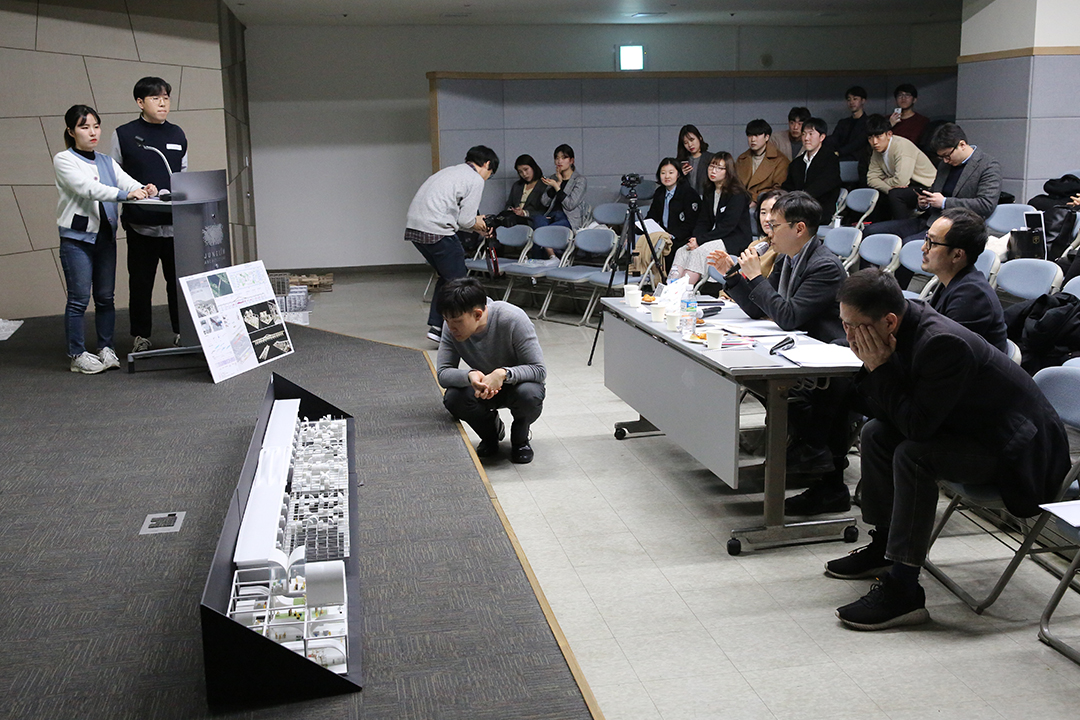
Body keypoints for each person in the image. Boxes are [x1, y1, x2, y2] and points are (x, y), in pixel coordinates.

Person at [825, 269, 1070, 631]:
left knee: (913, 455)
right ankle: (884, 547)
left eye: (854, 326)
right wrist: (877, 369)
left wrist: (878, 367)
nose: (848, 335)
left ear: (889, 320)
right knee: (877, 433)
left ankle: (905, 588)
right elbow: (889, 413)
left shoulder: (940, 343)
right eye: (843, 323)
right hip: (969, 430)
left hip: (1016, 454)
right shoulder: (900, 332)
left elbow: (917, 428)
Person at [54, 104, 155, 374]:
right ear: (71, 131)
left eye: (96, 126)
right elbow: (89, 189)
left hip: (105, 237)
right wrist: (125, 195)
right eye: (84, 127)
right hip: (77, 239)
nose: (92, 132)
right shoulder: (64, 159)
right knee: (78, 299)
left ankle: (105, 348)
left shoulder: (106, 160)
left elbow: (127, 182)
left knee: (105, 298)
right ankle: (77, 354)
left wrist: (143, 188)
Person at [111, 76, 187, 353]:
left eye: (166, 97)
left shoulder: (177, 134)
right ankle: (141, 336)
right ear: (140, 102)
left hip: (175, 225)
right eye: (155, 98)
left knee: (177, 284)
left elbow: (184, 175)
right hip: (140, 224)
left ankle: (183, 332)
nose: (163, 102)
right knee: (141, 283)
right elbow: (114, 176)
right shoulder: (125, 134)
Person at [707, 191, 845, 342]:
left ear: (799, 229)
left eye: (775, 226)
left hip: (823, 347)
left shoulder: (825, 267)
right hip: (796, 341)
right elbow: (756, 309)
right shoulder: (785, 259)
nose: (770, 232)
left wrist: (755, 276)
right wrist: (733, 277)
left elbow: (789, 318)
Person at [436, 277, 546, 464]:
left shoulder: (512, 319)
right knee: (454, 397)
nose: (451, 326)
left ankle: (520, 439)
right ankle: (490, 435)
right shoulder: (451, 325)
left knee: (530, 394)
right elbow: (443, 373)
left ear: (478, 314)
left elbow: (538, 370)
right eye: (446, 320)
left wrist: (503, 374)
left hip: (516, 385)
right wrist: (470, 376)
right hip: (482, 387)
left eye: (457, 321)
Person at [405, 145, 499, 343]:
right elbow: (466, 220)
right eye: (489, 174)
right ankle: (461, 330)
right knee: (459, 282)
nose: (486, 178)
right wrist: (479, 224)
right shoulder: (474, 179)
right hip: (436, 230)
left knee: (448, 277)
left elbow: (459, 216)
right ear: (487, 164)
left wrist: (475, 222)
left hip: (415, 229)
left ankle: (438, 327)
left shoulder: (450, 171)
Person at [864, 123, 1002, 248]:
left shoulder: (988, 166)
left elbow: (986, 205)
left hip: (956, 227)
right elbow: (935, 192)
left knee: (909, 245)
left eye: (947, 155)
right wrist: (925, 203)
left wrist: (944, 202)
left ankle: (894, 276)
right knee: (870, 232)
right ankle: (868, 276)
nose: (945, 161)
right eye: (942, 157)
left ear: (962, 145)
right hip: (929, 220)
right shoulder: (945, 164)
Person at [921, 208, 1008, 352]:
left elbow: (944, 352)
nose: (924, 248)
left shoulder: (972, 295)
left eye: (933, 243)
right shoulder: (951, 283)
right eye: (926, 238)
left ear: (957, 255)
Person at [668, 153, 751, 285]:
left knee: (699, 252)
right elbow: (703, 221)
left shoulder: (737, 194)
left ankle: (682, 292)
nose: (713, 171)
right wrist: (694, 239)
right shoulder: (709, 191)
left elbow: (727, 226)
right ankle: (670, 288)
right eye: (712, 166)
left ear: (728, 171)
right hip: (716, 236)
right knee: (682, 251)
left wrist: (700, 241)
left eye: (719, 168)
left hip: (733, 239)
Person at [864, 113, 937, 221]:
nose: (874, 142)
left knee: (896, 195)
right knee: (877, 195)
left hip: (927, 187)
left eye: (879, 137)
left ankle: (902, 227)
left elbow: (901, 182)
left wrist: (884, 181)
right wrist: (888, 187)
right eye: (870, 138)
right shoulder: (877, 151)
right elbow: (871, 179)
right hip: (905, 187)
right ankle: (878, 231)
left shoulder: (901, 146)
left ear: (889, 134)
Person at [782, 117, 842, 226]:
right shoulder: (796, 163)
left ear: (822, 137)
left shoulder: (830, 159)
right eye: (804, 134)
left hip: (820, 210)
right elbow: (788, 186)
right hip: (797, 208)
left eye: (811, 134)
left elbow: (823, 186)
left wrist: (799, 199)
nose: (806, 138)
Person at [645, 157, 701, 262]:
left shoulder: (688, 193)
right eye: (663, 173)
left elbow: (691, 223)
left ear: (678, 174)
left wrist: (671, 235)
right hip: (663, 236)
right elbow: (652, 216)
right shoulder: (660, 192)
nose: (667, 176)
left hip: (681, 238)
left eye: (671, 172)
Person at [735, 119, 790, 206]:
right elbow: (735, 184)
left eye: (757, 135)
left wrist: (755, 200)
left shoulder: (780, 160)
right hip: (740, 201)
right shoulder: (742, 159)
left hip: (765, 203)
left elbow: (778, 189)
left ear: (767, 137)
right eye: (750, 135)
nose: (752, 139)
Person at [498, 154, 547, 227]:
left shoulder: (544, 185)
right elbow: (508, 204)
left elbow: (545, 211)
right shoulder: (517, 185)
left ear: (533, 167)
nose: (524, 174)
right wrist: (512, 209)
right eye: (520, 172)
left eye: (526, 169)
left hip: (531, 220)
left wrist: (524, 213)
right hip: (514, 217)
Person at [830, 86, 870, 171]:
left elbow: (858, 143)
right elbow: (834, 139)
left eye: (855, 99)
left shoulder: (868, 122)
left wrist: (838, 153)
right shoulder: (843, 122)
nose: (851, 102)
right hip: (840, 157)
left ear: (863, 101)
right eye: (849, 100)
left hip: (859, 160)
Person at [675, 124, 714, 197]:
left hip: (707, 199)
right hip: (687, 200)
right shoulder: (680, 162)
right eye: (686, 143)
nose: (690, 145)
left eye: (692, 140)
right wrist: (680, 175)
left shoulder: (711, 158)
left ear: (700, 138)